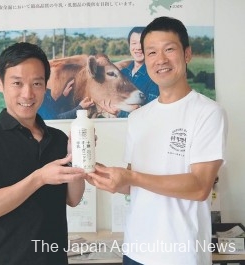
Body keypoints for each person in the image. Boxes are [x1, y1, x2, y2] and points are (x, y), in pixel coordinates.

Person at [87, 17, 228, 265]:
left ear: (187, 54)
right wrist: (105, 176)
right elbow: (132, 185)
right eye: (151, 52)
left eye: (169, 49)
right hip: (135, 250)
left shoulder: (208, 112)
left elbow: (199, 187)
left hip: (182, 255)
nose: (160, 59)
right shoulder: (139, 117)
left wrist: (131, 178)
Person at [0, 42, 86, 265]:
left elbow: (73, 199)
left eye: (36, 83)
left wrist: (77, 156)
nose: (27, 93)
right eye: (17, 83)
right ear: (1, 84)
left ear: (45, 85)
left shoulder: (57, 139)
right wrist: (39, 178)